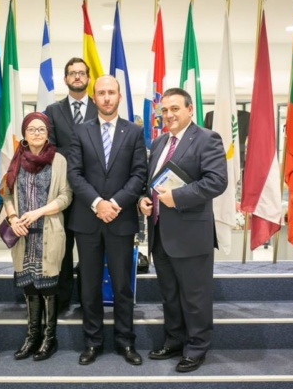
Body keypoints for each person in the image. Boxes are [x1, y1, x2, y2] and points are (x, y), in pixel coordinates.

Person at [139, 88, 228, 373]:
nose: (169, 115)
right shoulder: (160, 141)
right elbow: (154, 184)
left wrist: (176, 198)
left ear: (190, 109)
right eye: (164, 110)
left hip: (191, 235)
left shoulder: (207, 139)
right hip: (160, 233)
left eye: (175, 109)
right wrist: (145, 199)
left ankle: (197, 347)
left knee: (195, 296)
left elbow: (216, 182)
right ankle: (174, 340)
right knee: (170, 294)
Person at [67, 75, 147, 366]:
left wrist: (113, 204)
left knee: (122, 285)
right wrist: (97, 203)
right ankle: (93, 342)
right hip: (87, 221)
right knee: (88, 286)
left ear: (119, 96)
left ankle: (126, 342)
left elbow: (139, 174)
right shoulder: (80, 131)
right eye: (101, 93)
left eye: (111, 92)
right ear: (94, 96)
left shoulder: (134, 132)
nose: (106, 98)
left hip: (121, 219)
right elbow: (74, 174)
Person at [3, 112, 72, 361]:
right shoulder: (15, 159)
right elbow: (6, 194)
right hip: (23, 234)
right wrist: (13, 218)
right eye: (31, 129)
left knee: (49, 287)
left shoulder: (59, 160)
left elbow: (66, 196)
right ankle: (31, 337)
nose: (37, 134)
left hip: (49, 231)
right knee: (29, 286)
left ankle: (48, 339)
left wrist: (38, 213)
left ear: (48, 133)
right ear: (24, 132)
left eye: (41, 129)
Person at [44, 57, 98, 314]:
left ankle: (89, 301)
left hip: (94, 192)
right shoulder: (52, 111)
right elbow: (49, 149)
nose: (77, 77)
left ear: (88, 78)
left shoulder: (101, 108)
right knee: (62, 250)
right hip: (62, 191)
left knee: (90, 252)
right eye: (72, 73)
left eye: (81, 73)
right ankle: (63, 300)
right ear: (65, 79)